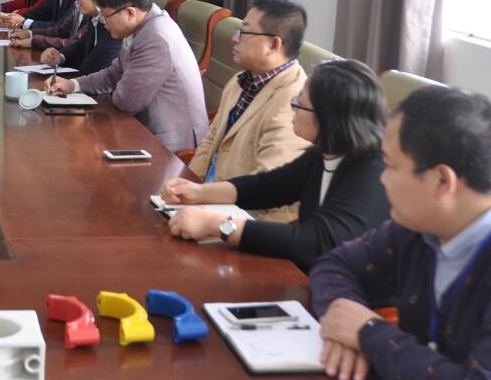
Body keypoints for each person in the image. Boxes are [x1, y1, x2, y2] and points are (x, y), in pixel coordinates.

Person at [310, 86, 491, 380]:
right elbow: (336, 265)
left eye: (390, 166)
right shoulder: (418, 226)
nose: (381, 179)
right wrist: (345, 326)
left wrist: (368, 333)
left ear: (442, 181)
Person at [162, 59, 390, 271]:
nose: (293, 106)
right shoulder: (325, 153)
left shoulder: (373, 172)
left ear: (328, 117)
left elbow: (315, 241)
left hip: (354, 292)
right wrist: (198, 192)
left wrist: (217, 225)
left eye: (301, 103)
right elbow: (268, 187)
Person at [47, 0, 208, 154]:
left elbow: (127, 101)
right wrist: (72, 85)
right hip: (143, 129)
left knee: (83, 151)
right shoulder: (143, 24)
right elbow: (114, 73)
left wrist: (117, 85)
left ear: (130, 12)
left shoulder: (155, 38)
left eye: (105, 15)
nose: (103, 22)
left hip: (171, 147)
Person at [187, 0, 312, 220]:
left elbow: (268, 188)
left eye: (244, 32)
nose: (235, 39)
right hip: (209, 203)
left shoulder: (294, 103)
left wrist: (208, 215)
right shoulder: (241, 81)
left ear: (274, 44)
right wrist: (187, 189)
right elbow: (210, 141)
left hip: (245, 221)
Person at [37, 0, 123, 73]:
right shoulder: (96, 17)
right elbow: (81, 46)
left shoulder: (114, 23)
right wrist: (60, 57)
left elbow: (94, 68)